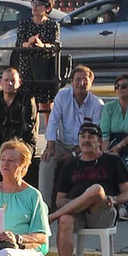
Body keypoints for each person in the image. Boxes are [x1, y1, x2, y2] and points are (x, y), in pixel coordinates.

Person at [50, 121, 128, 256]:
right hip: (77, 213)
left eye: (91, 137)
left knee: (96, 190)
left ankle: (51, 217)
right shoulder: (70, 165)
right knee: (65, 219)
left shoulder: (113, 161)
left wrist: (114, 200)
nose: (86, 140)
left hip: (102, 211)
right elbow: (60, 200)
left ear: (100, 141)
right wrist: (80, 203)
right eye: (83, 137)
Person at [37, 62, 103, 208]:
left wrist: (74, 154)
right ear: (72, 82)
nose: (81, 83)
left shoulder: (97, 104)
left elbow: (94, 134)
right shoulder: (62, 95)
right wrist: (50, 147)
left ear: (91, 82)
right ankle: (43, 207)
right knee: (46, 161)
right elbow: (53, 121)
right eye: (77, 79)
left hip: (84, 145)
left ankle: (78, 204)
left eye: (85, 80)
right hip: (61, 142)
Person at [99, 72, 128, 206]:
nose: (120, 88)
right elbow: (105, 133)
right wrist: (105, 153)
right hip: (113, 145)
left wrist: (120, 146)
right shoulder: (109, 108)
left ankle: (125, 205)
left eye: (124, 86)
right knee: (106, 162)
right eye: (117, 86)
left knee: (125, 162)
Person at [12, 0, 61, 105]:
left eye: (38, 4)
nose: (35, 7)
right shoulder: (24, 24)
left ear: (47, 8)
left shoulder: (52, 25)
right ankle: (33, 123)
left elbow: (56, 44)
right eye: (33, 3)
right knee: (29, 103)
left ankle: (49, 123)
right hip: (27, 66)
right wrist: (28, 43)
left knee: (46, 103)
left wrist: (42, 45)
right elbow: (19, 44)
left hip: (44, 66)